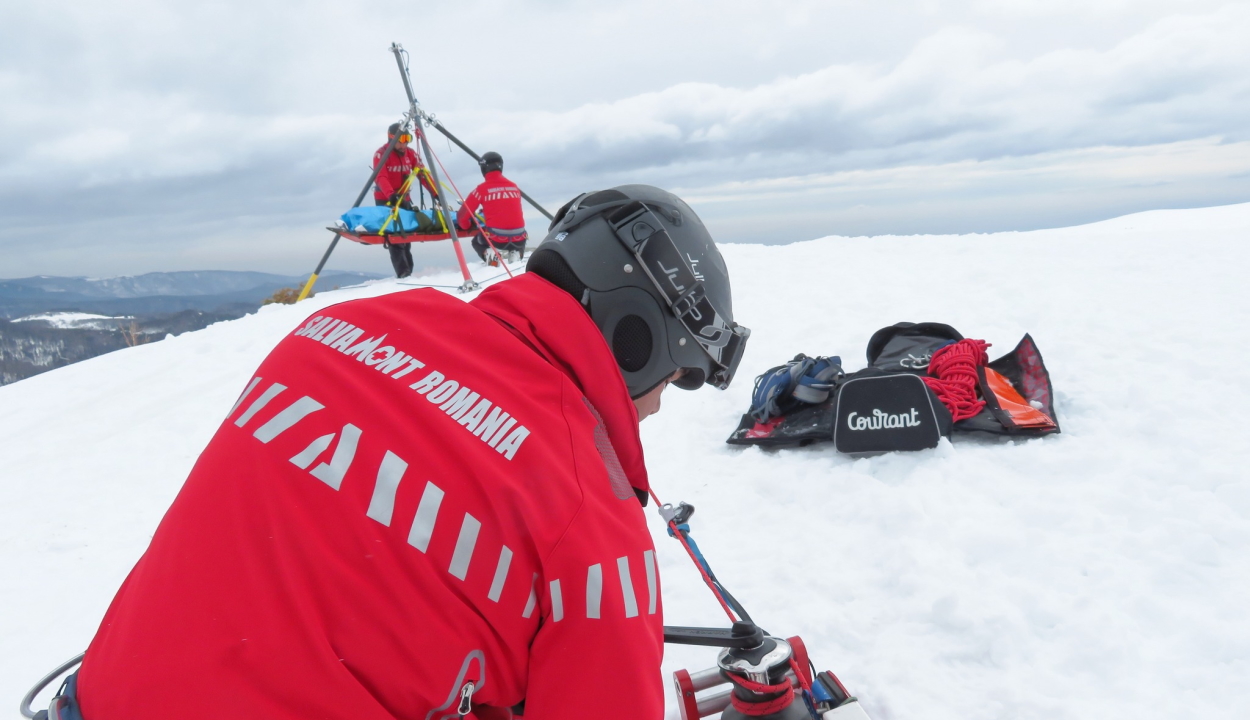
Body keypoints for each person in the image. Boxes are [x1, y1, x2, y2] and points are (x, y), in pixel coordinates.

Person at [72, 185, 750, 720]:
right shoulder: (596, 535)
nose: (659, 404)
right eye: (672, 377)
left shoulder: (335, 329)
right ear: (637, 343)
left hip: (97, 695)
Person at [373, 123, 438, 279]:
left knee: (407, 235)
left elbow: (422, 174)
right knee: (395, 238)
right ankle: (403, 273)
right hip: (386, 200)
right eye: (401, 140)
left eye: (407, 139)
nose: (404, 144)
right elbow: (381, 176)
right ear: (391, 139)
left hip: (405, 198)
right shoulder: (381, 154)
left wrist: (435, 193)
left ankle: (409, 271)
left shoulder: (410, 154)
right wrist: (390, 194)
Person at [456, 152, 528, 265]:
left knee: (477, 242)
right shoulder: (514, 187)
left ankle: (490, 256)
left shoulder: (481, 189)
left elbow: (462, 217)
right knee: (518, 234)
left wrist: (467, 226)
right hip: (520, 238)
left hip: (496, 239)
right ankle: (516, 253)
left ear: (484, 168)